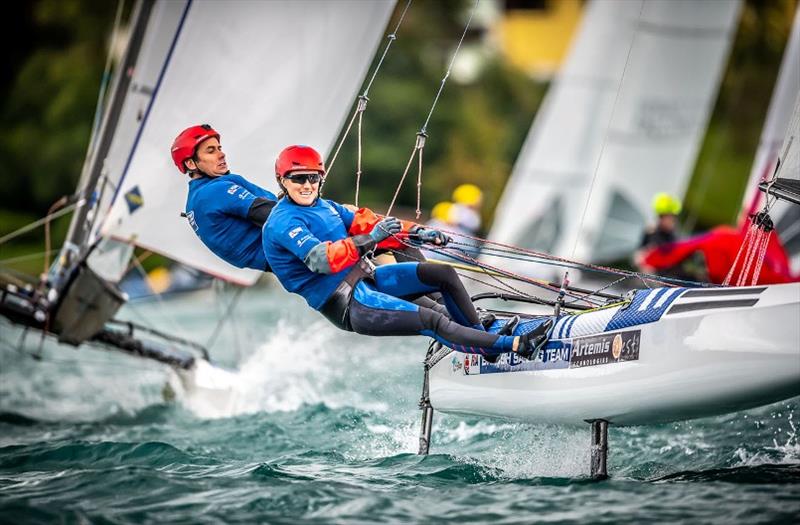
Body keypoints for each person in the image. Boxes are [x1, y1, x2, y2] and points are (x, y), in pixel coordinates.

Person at [262, 145, 552, 360]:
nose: (307, 185)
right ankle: (516, 346)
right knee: (432, 321)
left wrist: (418, 233)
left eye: (313, 178)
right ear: (283, 181)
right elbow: (321, 260)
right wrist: (366, 241)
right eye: (298, 178)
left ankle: (485, 342)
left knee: (442, 274)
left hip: (370, 280)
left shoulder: (325, 207)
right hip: (351, 303)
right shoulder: (283, 221)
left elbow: (372, 223)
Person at [171, 124, 277, 271]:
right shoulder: (213, 191)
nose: (222, 154)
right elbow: (271, 215)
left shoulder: (194, 200)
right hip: (293, 253)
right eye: (211, 151)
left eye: (219, 148)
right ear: (190, 163)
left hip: (283, 265)